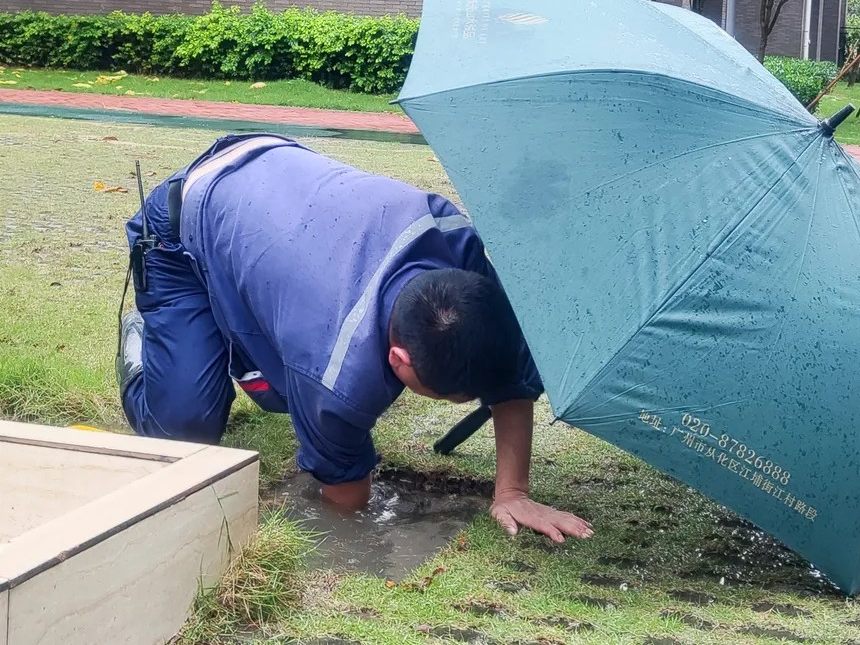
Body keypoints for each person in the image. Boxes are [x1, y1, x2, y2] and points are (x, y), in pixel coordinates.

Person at [116, 133, 592, 543]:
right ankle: (145, 343)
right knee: (185, 432)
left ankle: (208, 332)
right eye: (443, 395)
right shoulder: (332, 369)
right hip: (184, 219)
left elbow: (507, 373)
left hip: (274, 178)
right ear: (398, 359)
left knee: (275, 370)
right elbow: (345, 495)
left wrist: (513, 493)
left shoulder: (456, 243)